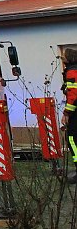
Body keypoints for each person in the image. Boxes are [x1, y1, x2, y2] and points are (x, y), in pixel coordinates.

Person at [62, 48, 77, 182]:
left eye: (63, 56)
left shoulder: (72, 71)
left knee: (72, 139)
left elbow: (73, 96)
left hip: (75, 114)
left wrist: (67, 113)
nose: (62, 58)